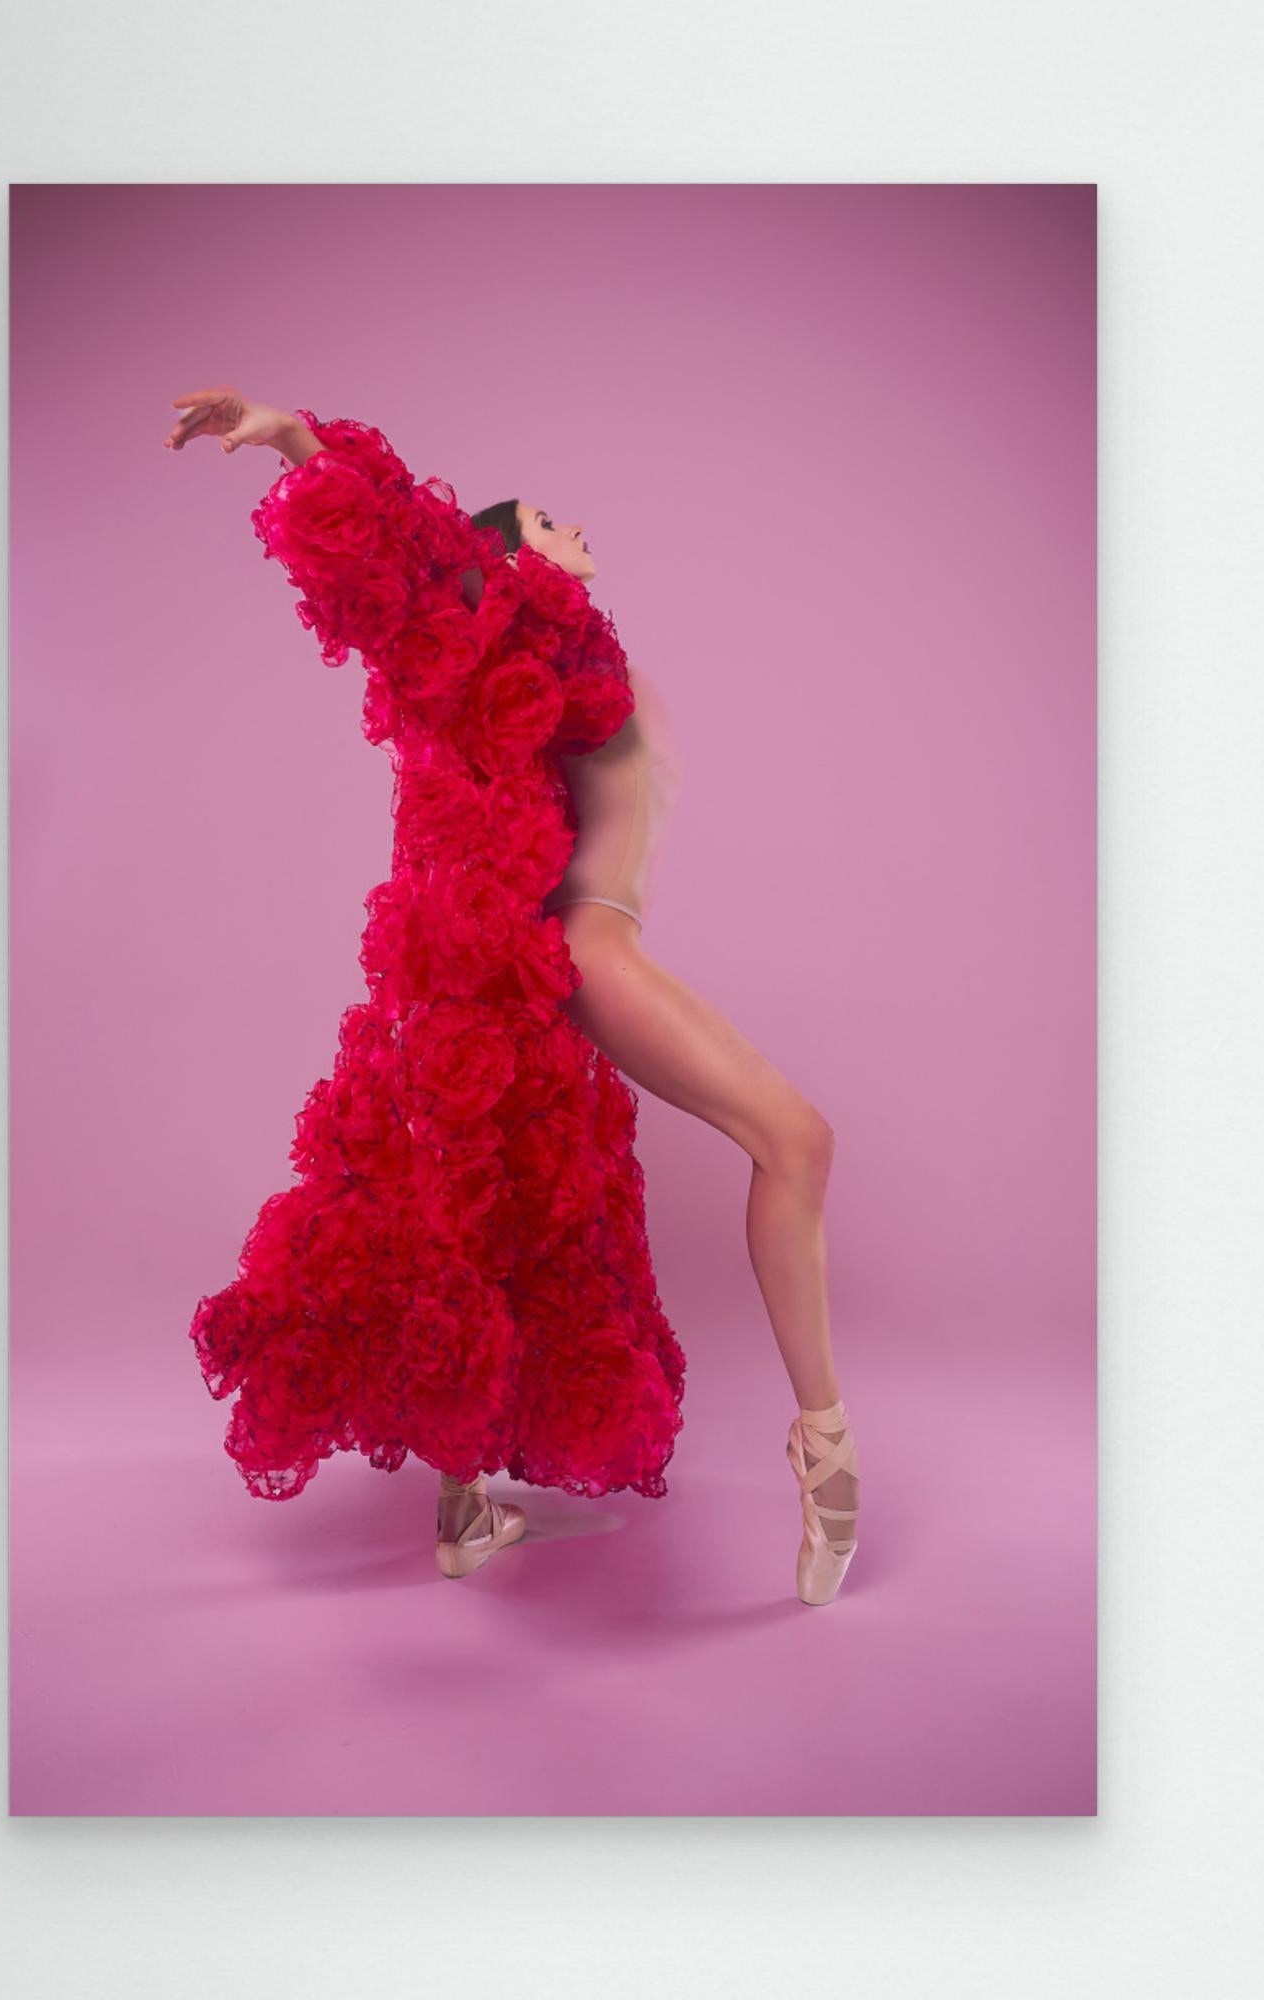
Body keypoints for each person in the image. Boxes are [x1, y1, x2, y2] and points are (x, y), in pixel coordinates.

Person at [166, 387, 859, 1604]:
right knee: (794, 1139)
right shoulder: (514, 633)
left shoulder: (561, 653)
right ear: (497, 563)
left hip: (571, 953)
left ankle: (463, 1508)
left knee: (496, 1227)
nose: (564, 520)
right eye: (538, 518)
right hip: (590, 947)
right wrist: (291, 440)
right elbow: (413, 562)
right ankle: (829, 1453)